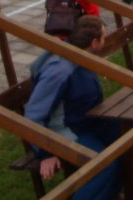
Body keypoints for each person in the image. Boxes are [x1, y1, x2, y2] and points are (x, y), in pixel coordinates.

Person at [24, 16, 123, 200]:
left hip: (87, 121)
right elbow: (33, 116)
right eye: (103, 37)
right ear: (94, 43)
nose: (105, 40)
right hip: (66, 131)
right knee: (104, 166)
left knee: (129, 134)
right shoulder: (60, 71)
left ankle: (108, 193)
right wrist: (46, 151)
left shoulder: (81, 57)